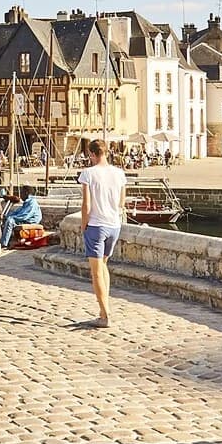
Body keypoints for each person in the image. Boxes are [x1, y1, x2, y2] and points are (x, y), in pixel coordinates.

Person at [77, 138, 128, 327]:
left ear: (91, 154)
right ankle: (104, 308)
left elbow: (86, 205)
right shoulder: (119, 174)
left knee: (96, 272)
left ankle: (105, 315)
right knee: (104, 266)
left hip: (96, 226)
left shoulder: (88, 174)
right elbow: (121, 203)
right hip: (114, 225)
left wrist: (84, 225)